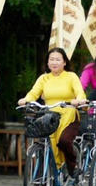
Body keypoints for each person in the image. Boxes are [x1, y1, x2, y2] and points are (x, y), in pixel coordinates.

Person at [19, 47, 86, 177]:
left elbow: (79, 92)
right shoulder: (44, 78)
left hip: (69, 115)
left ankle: (72, 166)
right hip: (49, 117)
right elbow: (34, 93)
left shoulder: (71, 76)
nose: (54, 62)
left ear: (64, 62)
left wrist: (79, 100)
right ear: (47, 62)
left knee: (64, 141)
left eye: (58, 60)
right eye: (51, 60)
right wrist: (26, 100)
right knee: (44, 147)